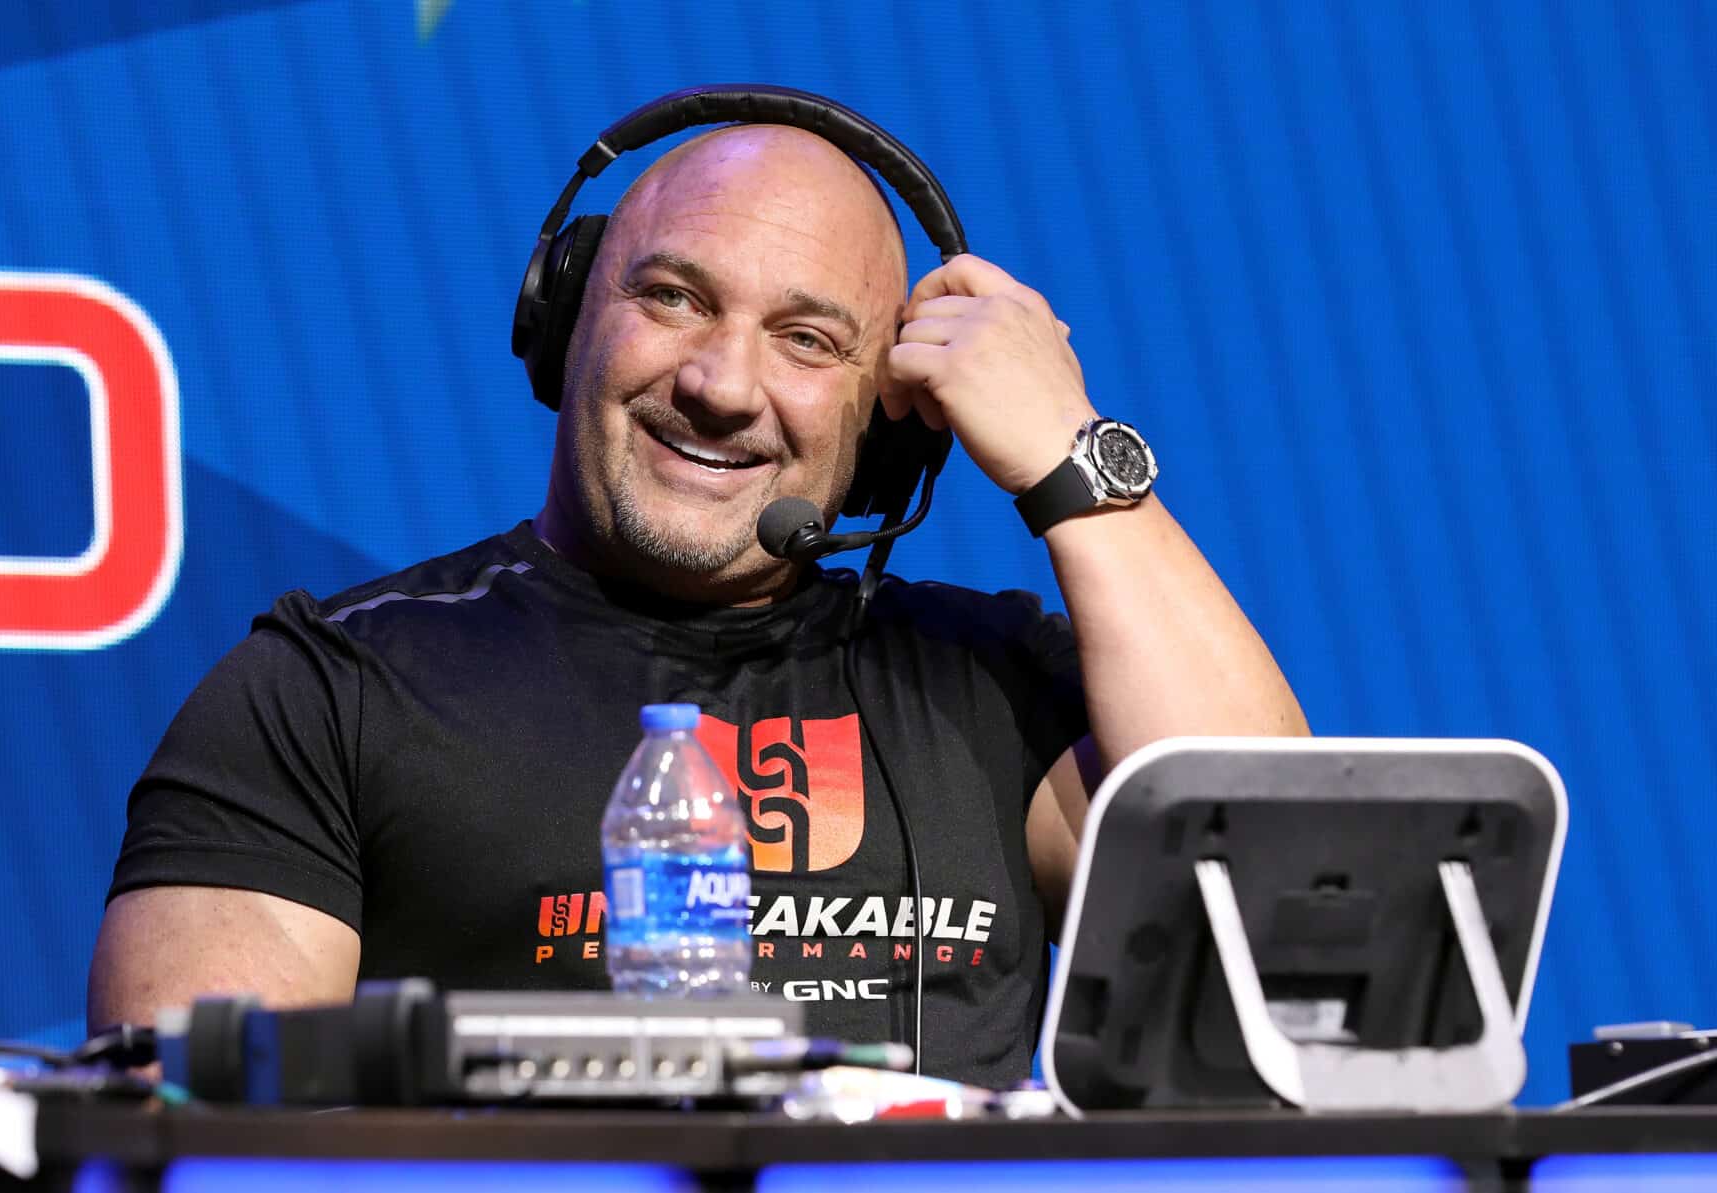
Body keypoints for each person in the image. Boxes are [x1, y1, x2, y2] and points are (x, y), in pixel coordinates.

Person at [89, 112, 1305, 1089]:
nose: (724, 384)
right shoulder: (328, 687)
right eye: (673, 298)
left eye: (808, 341)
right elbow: (187, 1139)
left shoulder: (992, 682)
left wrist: (1069, 458)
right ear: (563, 324)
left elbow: (1283, 893)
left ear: (891, 416)